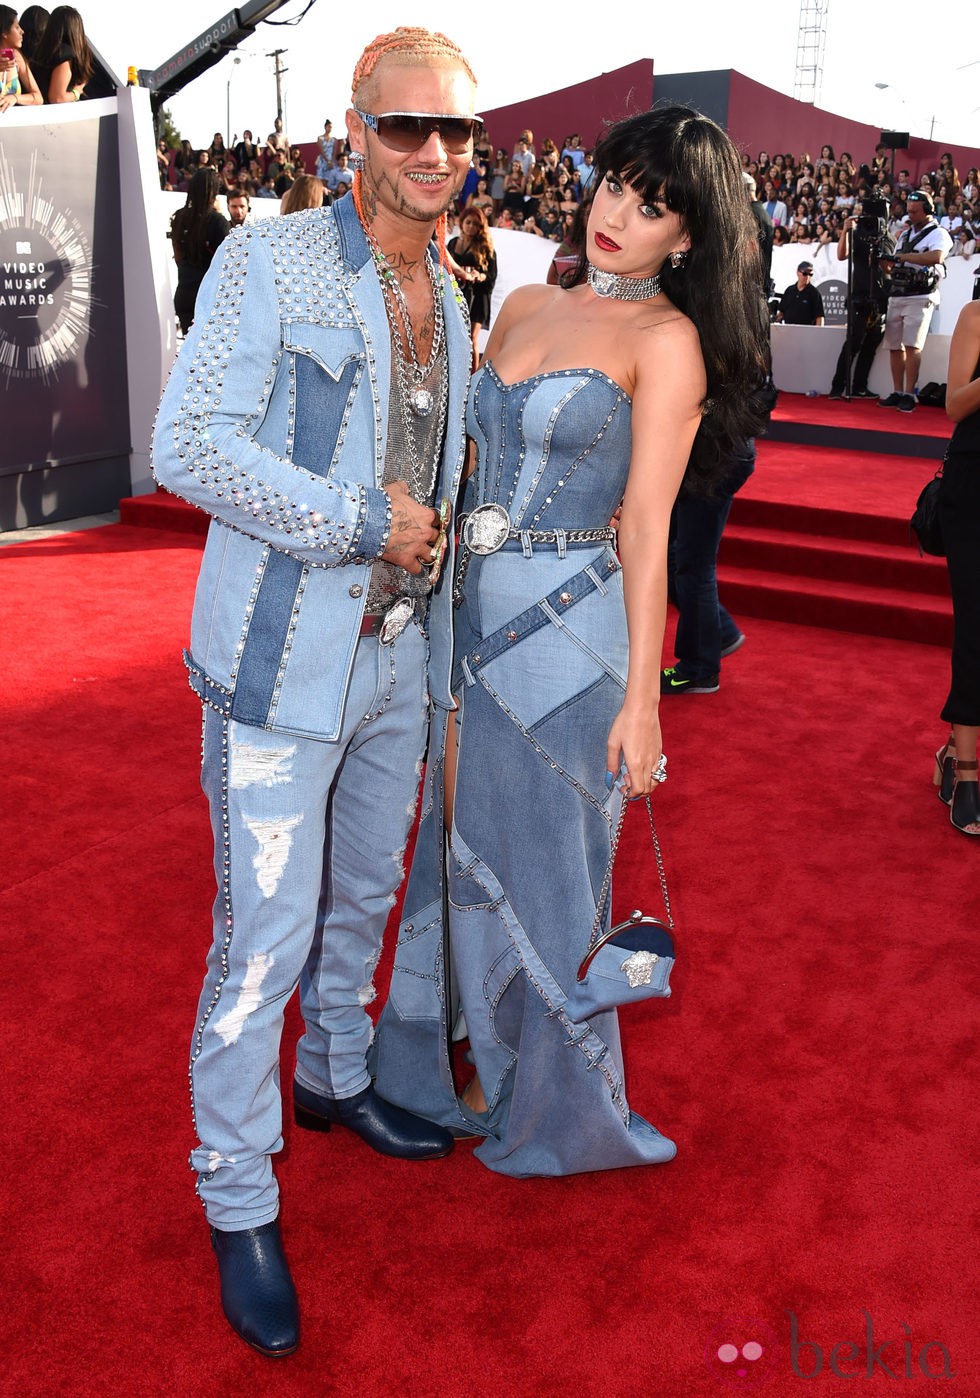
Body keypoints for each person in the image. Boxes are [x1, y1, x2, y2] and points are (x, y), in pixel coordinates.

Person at [151, 25, 480, 1356]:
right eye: (408, 128)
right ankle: (237, 1193)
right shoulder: (267, 259)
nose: (435, 154)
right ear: (354, 133)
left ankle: (334, 1076)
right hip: (283, 665)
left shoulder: (452, 296)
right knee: (260, 944)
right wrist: (356, 518)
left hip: (398, 658)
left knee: (362, 894)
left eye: (457, 131)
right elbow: (186, 444)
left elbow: (441, 493)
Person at [372, 103, 768, 1176]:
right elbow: (463, 464)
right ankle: (465, 1058)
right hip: (466, 615)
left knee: (547, 875)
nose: (617, 215)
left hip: (569, 636)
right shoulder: (523, 302)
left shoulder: (666, 342)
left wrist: (641, 697)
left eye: (652, 207)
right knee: (459, 852)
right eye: (613, 185)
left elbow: (646, 524)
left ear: (684, 238)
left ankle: (546, 1098)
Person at [934, 302, 980, 836]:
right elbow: (954, 404)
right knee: (976, 629)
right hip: (976, 492)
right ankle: (966, 768)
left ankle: (950, 750)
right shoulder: (975, 317)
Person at [878, 190, 952, 412]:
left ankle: (910, 393)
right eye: (908, 211)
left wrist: (903, 257)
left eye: (915, 211)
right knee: (894, 346)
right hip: (899, 293)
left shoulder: (939, 233)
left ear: (927, 210)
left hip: (921, 295)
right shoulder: (904, 235)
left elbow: (937, 256)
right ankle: (897, 391)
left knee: (912, 345)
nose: (910, 215)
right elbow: (892, 267)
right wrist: (883, 260)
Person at [828, 208, 893, 399]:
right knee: (853, 343)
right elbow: (842, 255)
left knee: (871, 344)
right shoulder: (857, 235)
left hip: (880, 296)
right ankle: (837, 388)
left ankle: (860, 387)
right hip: (858, 295)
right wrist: (846, 231)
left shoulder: (888, 238)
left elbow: (889, 266)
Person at [168, 167, 229, 335]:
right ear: (214, 191)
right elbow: (226, 263)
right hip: (208, 299)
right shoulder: (218, 222)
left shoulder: (179, 217)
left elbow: (178, 257)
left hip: (184, 294)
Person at [448, 205, 496, 367]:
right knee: (455, 336)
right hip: (456, 295)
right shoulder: (453, 243)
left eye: (475, 224)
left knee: (472, 339)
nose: (471, 227)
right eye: (468, 222)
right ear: (461, 223)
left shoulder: (485, 247)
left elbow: (491, 275)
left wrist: (479, 276)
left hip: (478, 297)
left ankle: (473, 378)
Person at [29, 1, 88, 102]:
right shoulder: (64, 55)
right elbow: (57, 98)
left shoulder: (41, 51)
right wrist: (77, 92)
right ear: (76, 30)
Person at [0, 6, 43, 109]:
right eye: (17, 27)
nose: (22, 31)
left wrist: (15, 98)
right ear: (5, 33)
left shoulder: (17, 57)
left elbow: (38, 98)